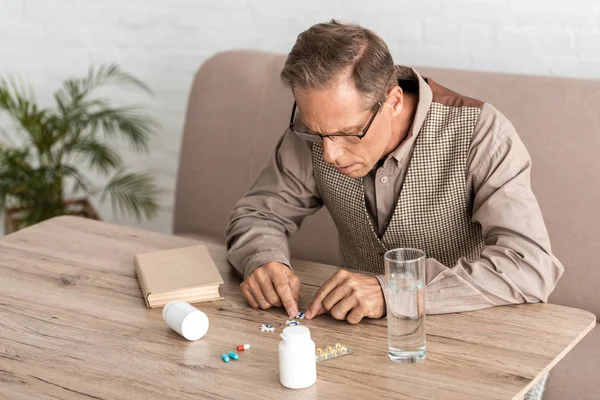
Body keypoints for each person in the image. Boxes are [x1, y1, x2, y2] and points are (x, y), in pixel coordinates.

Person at [225, 20, 564, 325]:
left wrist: (398, 292)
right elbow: (258, 213)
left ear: (394, 101)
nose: (329, 153)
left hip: (474, 328)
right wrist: (263, 260)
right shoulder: (315, 128)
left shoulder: (482, 134)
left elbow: (530, 266)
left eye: (348, 133)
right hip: (361, 334)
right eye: (318, 134)